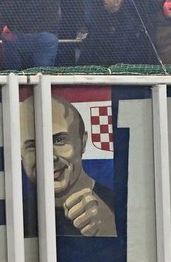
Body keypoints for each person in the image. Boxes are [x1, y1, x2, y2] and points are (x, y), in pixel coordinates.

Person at [17, 94, 117, 237]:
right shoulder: (12, 215)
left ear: (83, 142)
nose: (49, 157)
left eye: (59, 140)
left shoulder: (118, 206)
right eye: (33, 145)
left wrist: (110, 229)